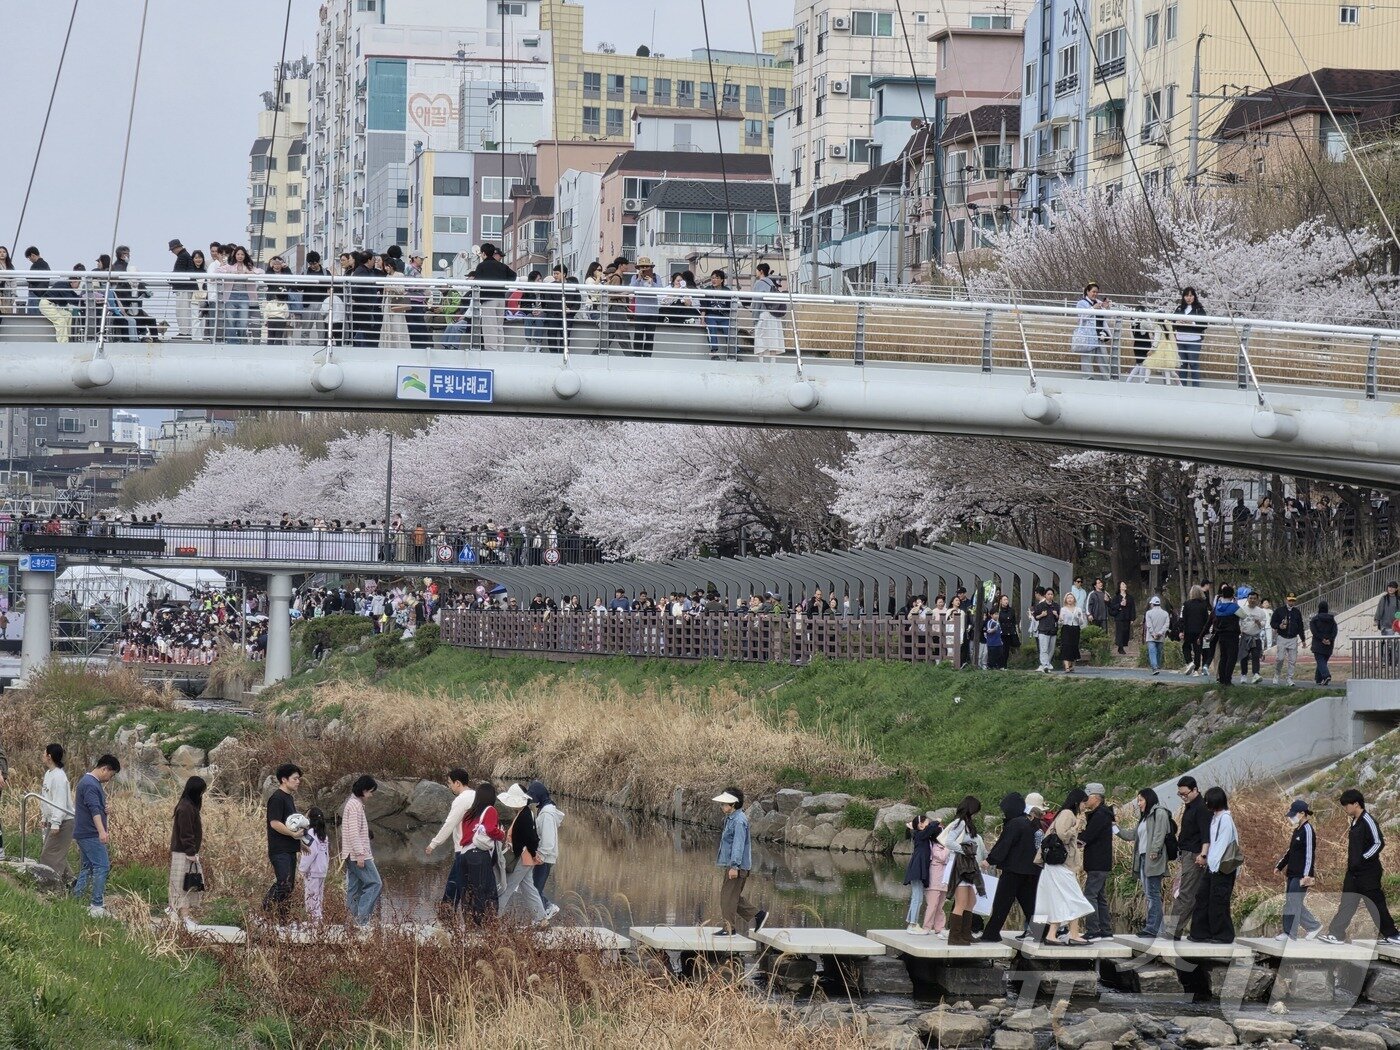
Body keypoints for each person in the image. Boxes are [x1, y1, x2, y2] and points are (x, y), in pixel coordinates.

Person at [1320, 789, 1400, 945]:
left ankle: (1392, 935)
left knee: (1376, 904)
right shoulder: (1354, 822)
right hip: (1354, 873)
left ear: (1356, 804)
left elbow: (1379, 843)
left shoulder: (1367, 820)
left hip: (1368, 872)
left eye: (1346, 805)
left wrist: (1363, 858)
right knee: (1347, 903)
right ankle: (1336, 934)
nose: (1345, 809)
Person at [978, 792, 1040, 942]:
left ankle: (991, 933)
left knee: (1002, 902)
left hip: (1013, 870)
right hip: (1031, 870)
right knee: (1030, 903)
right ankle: (1041, 933)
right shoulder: (1029, 823)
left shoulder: (1014, 824)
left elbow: (1004, 845)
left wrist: (990, 860)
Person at [1036, 789, 1093, 945]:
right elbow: (1062, 835)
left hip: (1055, 866)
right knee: (1073, 897)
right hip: (1060, 866)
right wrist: (1076, 828)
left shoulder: (1064, 813)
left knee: (1063, 899)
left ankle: (1053, 935)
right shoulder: (1068, 814)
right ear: (1077, 802)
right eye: (1083, 803)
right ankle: (1073, 935)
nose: (1084, 807)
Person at [1116, 788, 1170, 938]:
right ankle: (1160, 930)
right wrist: (1114, 828)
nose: (1138, 803)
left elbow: (1160, 833)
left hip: (1153, 858)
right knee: (1149, 894)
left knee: (1153, 894)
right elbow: (1131, 835)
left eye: (1140, 800)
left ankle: (1151, 929)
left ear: (1148, 799)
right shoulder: (1144, 818)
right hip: (1143, 859)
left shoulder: (1159, 812)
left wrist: (1154, 850)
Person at [713, 788, 766, 936]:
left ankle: (729, 928)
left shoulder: (739, 821)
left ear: (733, 804)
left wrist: (734, 866)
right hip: (733, 865)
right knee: (731, 896)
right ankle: (758, 915)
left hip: (738, 866)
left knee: (727, 897)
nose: (722, 806)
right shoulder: (732, 818)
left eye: (724, 804)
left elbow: (738, 844)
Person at [73, 754, 121, 918]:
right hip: (90, 833)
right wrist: (102, 831)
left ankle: (77, 899)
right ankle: (96, 904)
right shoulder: (91, 785)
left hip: (84, 832)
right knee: (102, 866)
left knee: (88, 867)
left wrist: (105, 809)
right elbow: (93, 810)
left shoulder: (90, 783)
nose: (110, 778)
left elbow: (95, 807)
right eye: (111, 774)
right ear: (104, 768)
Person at [1190, 786, 1239, 943]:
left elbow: (1222, 844)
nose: (1205, 803)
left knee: (1218, 902)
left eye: (1207, 800)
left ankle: (1223, 935)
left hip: (1222, 868)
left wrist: (1212, 863)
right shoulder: (1215, 818)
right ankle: (1201, 932)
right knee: (1203, 898)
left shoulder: (1225, 819)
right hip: (1213, 866)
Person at [495, 783, 548, 923]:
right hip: (526, 858)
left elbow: (530, 838)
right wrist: (534, 852)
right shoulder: (526, 812)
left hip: (522, 858)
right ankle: (542, 919)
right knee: (529, 889)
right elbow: (532, 837)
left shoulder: (523, 815)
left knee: (507, 887)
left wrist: (532, 851)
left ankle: (494, 918)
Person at [1167, 775, 1211, 939]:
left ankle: (1173, 931)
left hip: (1194, 855)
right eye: (1180, 794)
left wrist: (1203, 854)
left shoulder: (1201, 808)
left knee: (1185, 893)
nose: (1183, 797)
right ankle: (1174, 929)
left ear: (1195, 790)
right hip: (1186, 853)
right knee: (1184, 891)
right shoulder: (1190, 805)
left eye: (1185, 794)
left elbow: (1206, 834)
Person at [426, 768, 476, 906]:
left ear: (458, 783)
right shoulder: (477, 795)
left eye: (449, 783)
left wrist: (433, 844)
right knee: (469, 887)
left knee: (453, 885)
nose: (449, 786)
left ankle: (446, 918)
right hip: (479, 848)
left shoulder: (461, 800)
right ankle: (471, 919)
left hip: (463, 848)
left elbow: (449, 824)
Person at [941, 796, 985, 946]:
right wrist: (965, 850)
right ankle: (955, 936)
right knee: (961, 902)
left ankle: (966, 934)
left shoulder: (966, 824)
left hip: (967, 865)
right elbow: (949, 842)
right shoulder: (959, 823)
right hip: (960, 866)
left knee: (971, 901)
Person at [457, 783, 505, 922]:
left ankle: (469, 923)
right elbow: (490, 830)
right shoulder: (490, 810)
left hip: (464, 855)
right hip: (479, 856)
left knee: (468, 891)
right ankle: (484, 925)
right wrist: (502, 834)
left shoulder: (468, 813)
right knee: (486, 891)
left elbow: (465, 835)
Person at [263, 762, 303, 925]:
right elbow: (275, 823)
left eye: (299, 778)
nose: (298, 781)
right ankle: (265, 910)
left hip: (290, 849)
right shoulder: (277, 798)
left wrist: (301, 842)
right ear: (284, 780)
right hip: (279, 850)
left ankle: (282, 919)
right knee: (284, 883)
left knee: (289, 886)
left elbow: (292, 823)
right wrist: (293, 834)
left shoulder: (289, 798)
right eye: (295, 778)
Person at [1275, 799, 1321, 941]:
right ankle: (1313, 926)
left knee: (1293, 902)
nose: (1291, 818)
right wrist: (1280, 865)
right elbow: (1290, 851)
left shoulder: (1308, 830)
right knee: (1291, 901)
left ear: (1302, 813)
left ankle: (1291, 934)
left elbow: (1309, 854)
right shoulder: (1297, 830)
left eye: (1294, 814)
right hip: (1292, 872)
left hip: (1302, 874)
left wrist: (1306, 875)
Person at [341, 775, 382, 926]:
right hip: (356, 854)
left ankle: (351, 921)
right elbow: (353, 833)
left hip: (351, 853)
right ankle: (362, 920)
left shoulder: (353, 804)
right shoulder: (355, 806)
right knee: (375, 883)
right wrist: (360, 854)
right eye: (371, 792)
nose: (371, 795)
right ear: (364, 791)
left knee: (355, 887)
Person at [167, 775, 206, 928]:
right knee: (182, 884)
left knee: (186, 884)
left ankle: (182, 915)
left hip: (185, 852)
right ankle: (181, 916)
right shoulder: (185, 808)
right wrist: (191, 852)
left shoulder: (188, 805)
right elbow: (186, 833)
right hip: (183, 853)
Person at [1078, 782, 1114, 940]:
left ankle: (1093, 930)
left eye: (1088, 797)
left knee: (1090, 895)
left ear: (1097, 798)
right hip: (1100, 862)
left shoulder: (1100, 815)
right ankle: (1105, 931)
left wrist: (1073, 839)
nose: (1085, 800)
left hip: (1098, 863)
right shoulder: (1102, 814)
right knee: (1100, 896)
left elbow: (1088, 836)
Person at [527, 780, 564, 921]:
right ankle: (541, 916)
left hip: (545, 857)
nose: (532, 799)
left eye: (533, 796)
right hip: (545, 856)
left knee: (535, 889)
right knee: (535, 888)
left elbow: (548, 840)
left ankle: (546, 910)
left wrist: (540, 855)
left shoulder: (547, 814)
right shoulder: (545, 810)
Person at [39, 743, 74, 882]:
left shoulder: (59, 777)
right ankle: (71, 882)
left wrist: (55, 823)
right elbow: (46, 798)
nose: (42, 755)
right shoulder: (49, 774)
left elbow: (59, 801)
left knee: (48, 855)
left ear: (49, 756)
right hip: (53, 820)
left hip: (63, 821)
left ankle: (51, 884)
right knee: (56, 854)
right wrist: (44, 816)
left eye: (44, 753)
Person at [472, 244, 516, 350]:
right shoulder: (501, 266)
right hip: (501, 298)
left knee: (489, 326)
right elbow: (513, 276)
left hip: (488, 299)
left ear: (483, 253)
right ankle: (500, 349)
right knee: (499, 326)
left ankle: (491, 350)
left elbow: (477, 282)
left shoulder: (482, 266)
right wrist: (503, 285)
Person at [903, 814, 940, 933]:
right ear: (920, 825)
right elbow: (930, 829)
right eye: (926, 822)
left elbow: (933, 831)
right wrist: (936, 821)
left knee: (916, 897)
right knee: (917, 898)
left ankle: (911, 922)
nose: (929, 823)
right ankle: (913, 925)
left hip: (918, 869)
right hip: (917, 869)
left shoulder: (922, 835)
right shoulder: (920, 835)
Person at [1072, 283, 1109, 378]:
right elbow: (1081, 317)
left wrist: (1105, 307)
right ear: (1087, 292)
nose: (1095, 294)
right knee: (1087, 360)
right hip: (1088, 336)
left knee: (1104, 360)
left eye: (1097, 292)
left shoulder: (1098, 302)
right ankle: (1087, 380)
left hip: (1100, 335)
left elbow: (1104, 318)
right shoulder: (1081, 303)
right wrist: (1093, 308)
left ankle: (1107, 380)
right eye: (1093, 292)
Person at [300, 807, 330, 923]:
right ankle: (318, 920)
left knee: (311, 898)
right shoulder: (323, 835)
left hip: (312, 872)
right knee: (319, 897)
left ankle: (314, 923)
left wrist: (302, 869)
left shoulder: (310, 835)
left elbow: (309, 853)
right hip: (322, 870)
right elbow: (326, 854)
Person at [627, 257, 663, 356]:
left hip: (653, 312)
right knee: (638, 335)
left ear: (651, 267)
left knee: (650, 336)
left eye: (647, 266)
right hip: (640, 311)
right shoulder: (635, 277)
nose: (644, 269)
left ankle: (647, 356)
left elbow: (661, 291)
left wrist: (652, 282)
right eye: (642, 267)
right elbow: (631, 290)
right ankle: (637, 356)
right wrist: (639, 279)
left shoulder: (656, 277)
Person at [1173, 287, 1207, 388]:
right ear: (1183, 297)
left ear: (1194, 296)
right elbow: (1172, 322)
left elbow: (1204, 324)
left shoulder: (1199, 309)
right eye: (1186, 295)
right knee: (1182, 365)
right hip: (1180, 340)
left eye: (1191, 295)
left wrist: (1192, 322)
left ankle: (1195, 388)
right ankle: (1183, 388)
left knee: (1193, 364)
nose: (1189, 298)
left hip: (1194, 341)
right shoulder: (1179, 308)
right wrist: (1176, 322)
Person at [1271, 593, 1306, 686]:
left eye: (1293, 600)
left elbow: (1300, 626)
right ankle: (1276, 675)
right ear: (1286, 600)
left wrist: (1303, 639)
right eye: (1290, 600)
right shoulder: (1279, 611)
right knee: (1280, 658)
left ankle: (1289, 678)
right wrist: (1279, 626)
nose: (1291, 602)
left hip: (1293, 638)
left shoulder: (1297, 612)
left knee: (1293, 660)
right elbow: (1272, 622)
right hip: (1282, 637)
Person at [1212, 585, 1243, 687]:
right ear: (1232, 595)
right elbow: (1244, 616)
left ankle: (1221, 679)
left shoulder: (1218, 607)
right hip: (1232, 635)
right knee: (1232, 657)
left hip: (1221, 635)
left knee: (1223, 657)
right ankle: (1227, 680)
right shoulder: (1234, 607)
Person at [751, 263, 784, 357]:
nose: (756, 273)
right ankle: (772, 363)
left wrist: (754, 318)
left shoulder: (759, 283)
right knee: (773, 339)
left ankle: (761, 363)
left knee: (760, 339)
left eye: (757, 271)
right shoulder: (772, 283)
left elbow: (756, 302)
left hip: (763, 313)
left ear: (761, 271)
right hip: (774, 314)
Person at [1180, 585, 1212, 676]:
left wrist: (1182, 630)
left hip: (1189, 629)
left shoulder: (1186, 604)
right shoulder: (1204, 605)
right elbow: (1206, 619)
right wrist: (1206, 631)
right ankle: (1196, 669)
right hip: (1200, 631)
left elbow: (1183, 618)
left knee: (1186, 647)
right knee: (1198, 649)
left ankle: (1190, 662)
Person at [169, 238, 197, 339]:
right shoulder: (185, 255)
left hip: (184, 288)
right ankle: (186, 331)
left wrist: (171, 279)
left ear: (176, 248)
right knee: (184, 310)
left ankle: (184, 332)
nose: (172, 252)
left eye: (172, 250)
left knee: (182, 310)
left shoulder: (182, 257)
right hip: (187, 287)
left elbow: (179, 273)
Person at [1238, 590, 1268, 684]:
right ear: (1247, 599)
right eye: (1250, 598)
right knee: (1244, 657)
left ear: (1257, 600)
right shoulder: (1242, 609)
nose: (1252, 600)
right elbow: (1238, 621)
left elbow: (1263, 624)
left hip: (1255, 637)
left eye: (1254, 598)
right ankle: (1243, 675)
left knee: (1256, 656)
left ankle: (1256, 674)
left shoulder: (1261, 611)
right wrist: (1240, 630)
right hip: (1245, 636)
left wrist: (1258, 622)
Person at [701, 269, 731, 357]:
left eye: (716, 278)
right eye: (712, 278)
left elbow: (730, 307)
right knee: (712, 327)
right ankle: (714, 351)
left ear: (722, 280)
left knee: (729, 328)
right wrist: (702, 319)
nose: (714, 280)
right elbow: (703, 306)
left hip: (724, 316)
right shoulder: (707, 290)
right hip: (711, 315)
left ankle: (733, 351)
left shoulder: (727, 291)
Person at [1309, 600, 1338, 686]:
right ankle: (1318, 679)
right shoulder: (1332, 620)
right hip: (1329, 645)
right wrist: (1329, 639)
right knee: (1322, 662)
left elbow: (1314, 631)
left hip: (1318, 644)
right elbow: (1335, 631)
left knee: (1320, 661)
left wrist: (1322, 639)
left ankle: (1326, 676)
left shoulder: (1315, 619)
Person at [1057, 592, 1087, 672]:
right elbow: (1060, 622)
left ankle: (1071, 665)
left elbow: (1081, 622)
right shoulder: (1063, 609)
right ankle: (1066, 666)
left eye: (1071, 598)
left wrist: (1079, 617)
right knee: (1066, 646)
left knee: (1074, 646)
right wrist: (1060, 619)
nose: (1070, 599)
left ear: (1074, 599)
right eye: (1068, 598)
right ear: (1066, 600)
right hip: (1066, 628)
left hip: (1075, 629)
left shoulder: (1078, 609)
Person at [1033, 587, 1059, 673]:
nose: (1050, 596)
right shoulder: (1040, 606)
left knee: (1051, 649)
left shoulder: (1056, 606)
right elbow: (1035, 617)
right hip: (1043, 630)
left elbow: (1059, 618)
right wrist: (1041, 615)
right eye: (1048, 594)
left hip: (1053, 630)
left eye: (1052, 594)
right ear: (1045, 595)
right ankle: (1045, 665)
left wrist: (1056, 615)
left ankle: (1047, 663)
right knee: (1044, 649)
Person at [1143, 596, 1171, 675]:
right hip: (1161, 637)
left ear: (1152, 604)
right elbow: (1166, 625)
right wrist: (1160, 633)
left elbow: (1149, 625)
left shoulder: (1148, 613)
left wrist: (1153, 634)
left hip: (1151, 637)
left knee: (1152, 652)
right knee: (1159, 652)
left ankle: (1155, 667)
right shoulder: (1165, 613)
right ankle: (1157, 666)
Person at [1109, 582, 1136, 655]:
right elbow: (1112, 607)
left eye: (1125, 584)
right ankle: (1120, 647)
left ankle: (1122, 646)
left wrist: (1132, 618)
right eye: (1123, 584)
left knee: (1125, 632)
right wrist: (1120, 605)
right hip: (1119, 617)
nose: (1125, 585)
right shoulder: (1116, 597)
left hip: (1127, 617)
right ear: (1120, 587)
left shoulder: (1130, 597)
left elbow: (1132, 608)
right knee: (1120, 632)